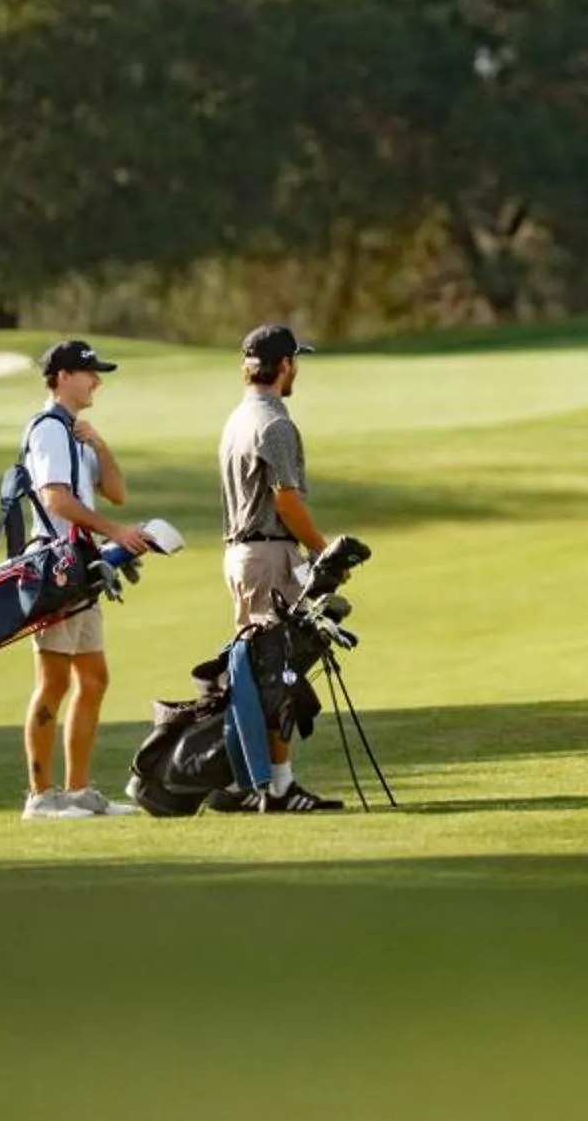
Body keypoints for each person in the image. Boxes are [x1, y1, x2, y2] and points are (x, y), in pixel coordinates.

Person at [20, 339, 155, 818]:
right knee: (53, 681)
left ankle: (77, 792)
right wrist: (116, 533)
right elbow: (55, 499)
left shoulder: (74, 432)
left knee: (93, 678)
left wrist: (98, 442)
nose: (97, 380)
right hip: (53, 569)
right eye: (88, 372)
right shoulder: (48, 430)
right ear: (60, 377)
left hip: (80, 570)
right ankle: (41, 797)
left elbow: (115, 492)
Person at [214, 323, 344, 813]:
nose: (297, 370)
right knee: (276, 673)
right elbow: (286, 501)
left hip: (245, 555)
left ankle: (262, 782)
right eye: (296, 361)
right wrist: (324, 551)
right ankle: (276, 788)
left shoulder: (236, 420)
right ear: (284, 364)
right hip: (269, 554)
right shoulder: (275, 424)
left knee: (262, 672)